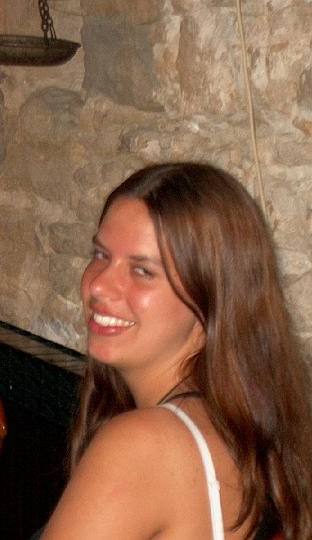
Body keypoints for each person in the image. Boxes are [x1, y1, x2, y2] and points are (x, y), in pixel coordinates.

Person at [41, 163, 312, 539]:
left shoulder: (142, 445)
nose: (99, 286)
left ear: (211, 299)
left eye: (142, 271)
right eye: (101, 255)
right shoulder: (237, 422)